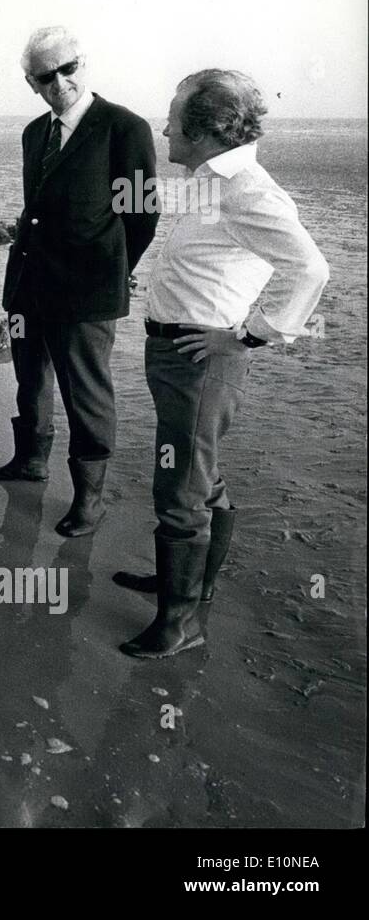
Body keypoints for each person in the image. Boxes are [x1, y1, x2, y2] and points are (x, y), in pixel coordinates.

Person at [117, 70, 329, 659]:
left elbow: (311, 269)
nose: (163, 127)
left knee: (180, 484)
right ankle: (191, 588)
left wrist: (249, 336)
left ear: (205, 128)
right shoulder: (211, 182)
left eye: (172, 116)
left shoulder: (247, 189)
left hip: (201, 360)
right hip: (179, 353)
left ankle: (178, 624)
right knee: (200, 472)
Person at [0, 27, 159, 537]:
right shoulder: (34, 133)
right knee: (30, 380)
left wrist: (111, 273)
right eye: (45, 77)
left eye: (67, 70)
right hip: (28, 285)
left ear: (84, 63)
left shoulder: (125, 128)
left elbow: (141, 217)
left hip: (87, 292)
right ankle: (30, 463)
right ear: (31, 83)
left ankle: (89, 501)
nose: (59, 83)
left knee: (87, 395)